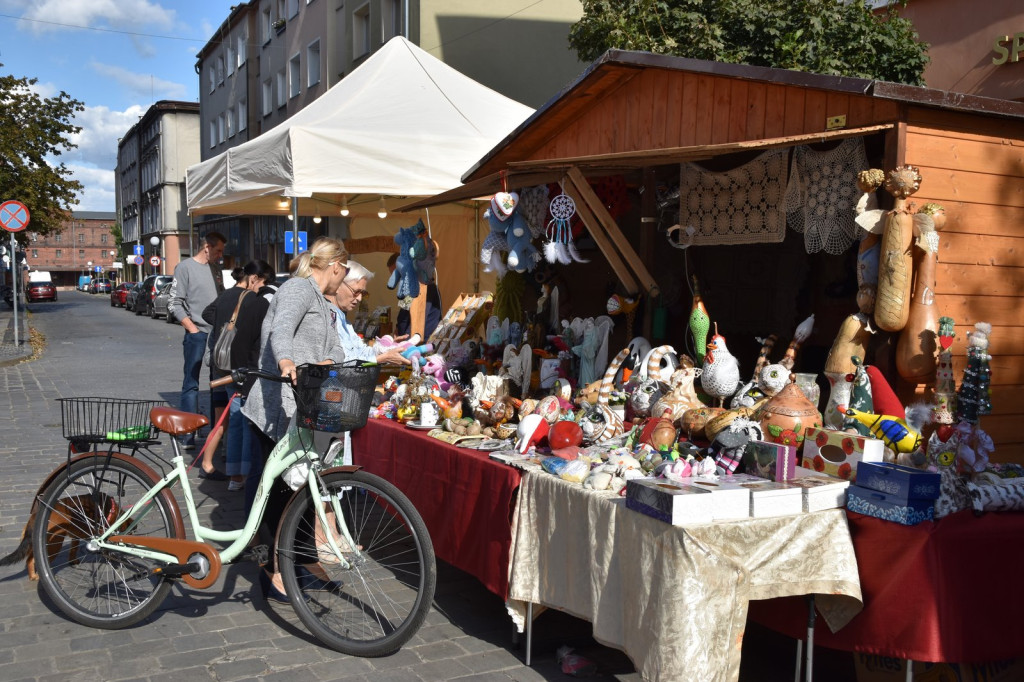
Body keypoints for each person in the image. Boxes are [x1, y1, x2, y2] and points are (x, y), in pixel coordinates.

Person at [241, 238, 348, 603]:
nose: (344, 279)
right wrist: (286, 360)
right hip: (276, 406)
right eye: (345, 271)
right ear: (336, 266)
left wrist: (329, 362)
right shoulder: (298, 289)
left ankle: (304, 560)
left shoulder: (324, 302)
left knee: (302, 489)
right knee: (277, 495)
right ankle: (273, 569)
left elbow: (335, 347)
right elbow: (281, 329)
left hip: (304, 406)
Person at [201, 260, 276, 488]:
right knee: (243, 422)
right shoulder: (254, 300)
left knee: (232, 421)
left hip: (223, 365)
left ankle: (234, 476)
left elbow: (206, 313)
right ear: (254, 279)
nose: (263, 288)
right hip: (243, 367)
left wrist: (223, 326)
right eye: (263, 283)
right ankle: (244, 474)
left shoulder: (225, 295)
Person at [168, 231, 227, 450]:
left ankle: (215, 435)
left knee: (217, 384)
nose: (220, 255)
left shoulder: (215, 269)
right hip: (197, 333)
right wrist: (192, 329)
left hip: (217, 334)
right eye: (218, 250)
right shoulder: (185, 268)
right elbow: (175, 302)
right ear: (207, 247)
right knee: (191, 382)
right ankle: (188, 434)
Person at [330, 260, 412, 367]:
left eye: (362, 293)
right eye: (356, 292)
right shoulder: (325, 318)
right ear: (338, 284)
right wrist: (380, 359)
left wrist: (389, 348)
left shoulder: (343, 320)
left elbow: (362, 352)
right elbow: (340, 364)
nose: (359, 298)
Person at [386, 252, 442, 340]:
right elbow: (404, 312)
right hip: (409, 338)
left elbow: (420, 318)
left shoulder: (424, 286)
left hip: (422, 340)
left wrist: (406, 338)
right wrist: (398, 328)